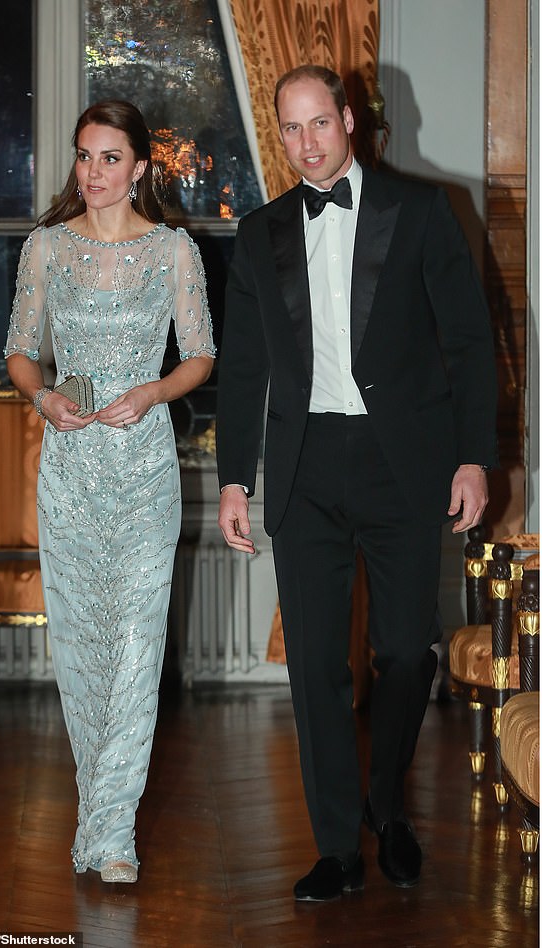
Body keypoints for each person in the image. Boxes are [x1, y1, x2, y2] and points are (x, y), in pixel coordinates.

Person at [216, 65, 497, 902]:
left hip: (402, 463)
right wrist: (235, 479)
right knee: (314, 669)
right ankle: (337, 844)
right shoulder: (262, 231)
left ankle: (388, 803)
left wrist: (474, 456)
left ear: (349, 119)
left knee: (408, 652)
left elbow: (471, 345)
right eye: (290, 131)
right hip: (304, 470)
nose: (307, 145)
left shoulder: (420, 211)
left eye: (319, 124)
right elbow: (243, 369)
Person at [5, 100, 215, 883]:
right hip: (68, 470)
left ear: (140, 168)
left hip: (144, 469)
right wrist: (44, 397)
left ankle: (115, 835)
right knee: (84, 653)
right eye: (84, 157)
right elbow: (21, 352)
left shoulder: (173, 252)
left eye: (109, 158)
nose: (92, 174)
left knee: (136, 646)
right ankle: (98, 817)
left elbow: (199, 356)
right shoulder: (46, 249)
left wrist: (155, 392)